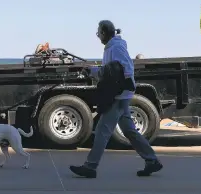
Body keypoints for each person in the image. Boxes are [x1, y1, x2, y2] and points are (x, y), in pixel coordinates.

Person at [69, 20, 162, 178]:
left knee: (102, 131)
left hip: (118, 96)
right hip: (121, 95)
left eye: (99, 32)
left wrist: (125, 85)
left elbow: (124, 68)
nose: (98, 36)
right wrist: (92, 71)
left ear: (105, 33)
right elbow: (110, 71)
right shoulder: (112, 47)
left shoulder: (116, 47)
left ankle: (90, 167)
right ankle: (152, 160)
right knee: (129, 131)